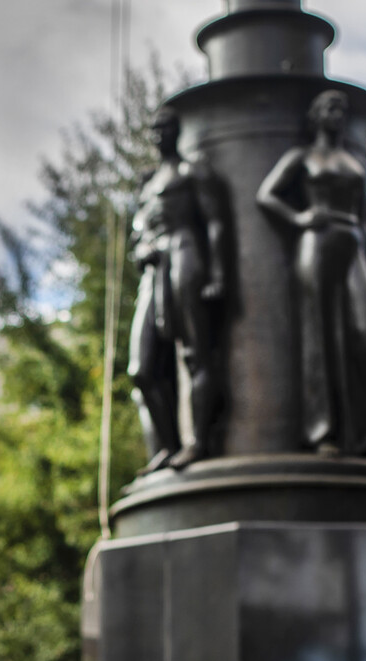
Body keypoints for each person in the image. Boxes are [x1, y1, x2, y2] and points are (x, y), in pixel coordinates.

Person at [256, 89, 366, 458]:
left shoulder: (352, 160)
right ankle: (323, 431)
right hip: (317, 241)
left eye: (342, 108)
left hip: (353, 243)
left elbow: (364, 218)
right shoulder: (302, 156)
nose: (338, 113)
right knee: (320, 338)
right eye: (331, 107)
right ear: (315, 115)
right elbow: (267, 194)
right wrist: (298, 218)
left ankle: (364, 435)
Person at [128, 105, 228, 472]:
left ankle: (200, 441)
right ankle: (168, 446)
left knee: (197, 353)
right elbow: (138, 234)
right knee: (141, 368)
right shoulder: (149, 184)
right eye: (154, 127)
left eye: (166, 127)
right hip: (153, 271)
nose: (159, 133)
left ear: (178, 131)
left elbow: (215, 223)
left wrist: (217, 275)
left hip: (186, 257)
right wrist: (141, 250)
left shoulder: (191, 171)